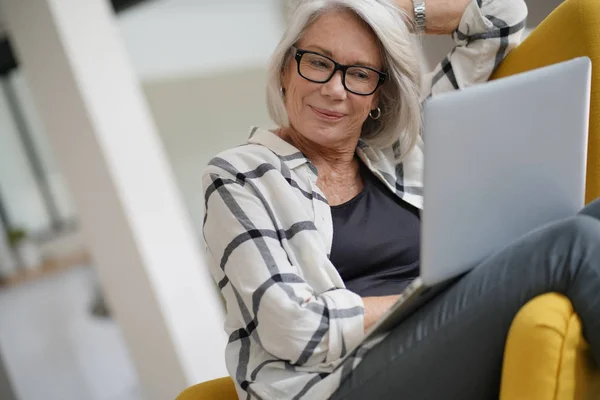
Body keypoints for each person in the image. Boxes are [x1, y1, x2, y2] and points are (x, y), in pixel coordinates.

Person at [202, 0, 600, 398]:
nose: (334, 89)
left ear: (377, 95)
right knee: (573, 244)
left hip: (443, 339)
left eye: (359, 73)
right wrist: (430, 297)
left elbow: (499, 15)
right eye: (319, 63)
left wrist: (374, 11)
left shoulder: (403, 148)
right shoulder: (239, 175)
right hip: (339, 382)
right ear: (286, 69)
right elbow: (295, 327)